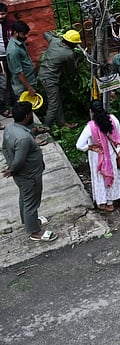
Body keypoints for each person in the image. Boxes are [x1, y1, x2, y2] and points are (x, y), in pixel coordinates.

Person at [2, 101, 57, 242]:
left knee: (25, 198)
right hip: (29, 175)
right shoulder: (24, 138)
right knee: (31, 202)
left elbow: (4, 148)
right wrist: (12, 169)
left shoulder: (10, 128)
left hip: (22, 175)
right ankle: (35, 232)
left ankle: (28, 221)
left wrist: (11, 166)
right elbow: (20, 160)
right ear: (27, 116)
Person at [76, 100, 120, 212]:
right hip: (113, 153)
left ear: (91, 112)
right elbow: (118, 136)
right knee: (116, 173)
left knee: (104, 177)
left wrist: (90, 147)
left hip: (99, 156)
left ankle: (109, 203)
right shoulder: (113, 119)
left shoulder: (90, 127)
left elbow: (79, 145)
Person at [38, 29, 81, 129]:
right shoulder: (68, 54)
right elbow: (71, 71)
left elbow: (45, 33)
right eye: (75, 44)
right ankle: (45, 128)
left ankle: (61, 123)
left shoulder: (54, 41)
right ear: (71, 43)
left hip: (43, 74)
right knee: (53, 104)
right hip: (50, 79)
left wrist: (55, 35)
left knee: (56, 100)